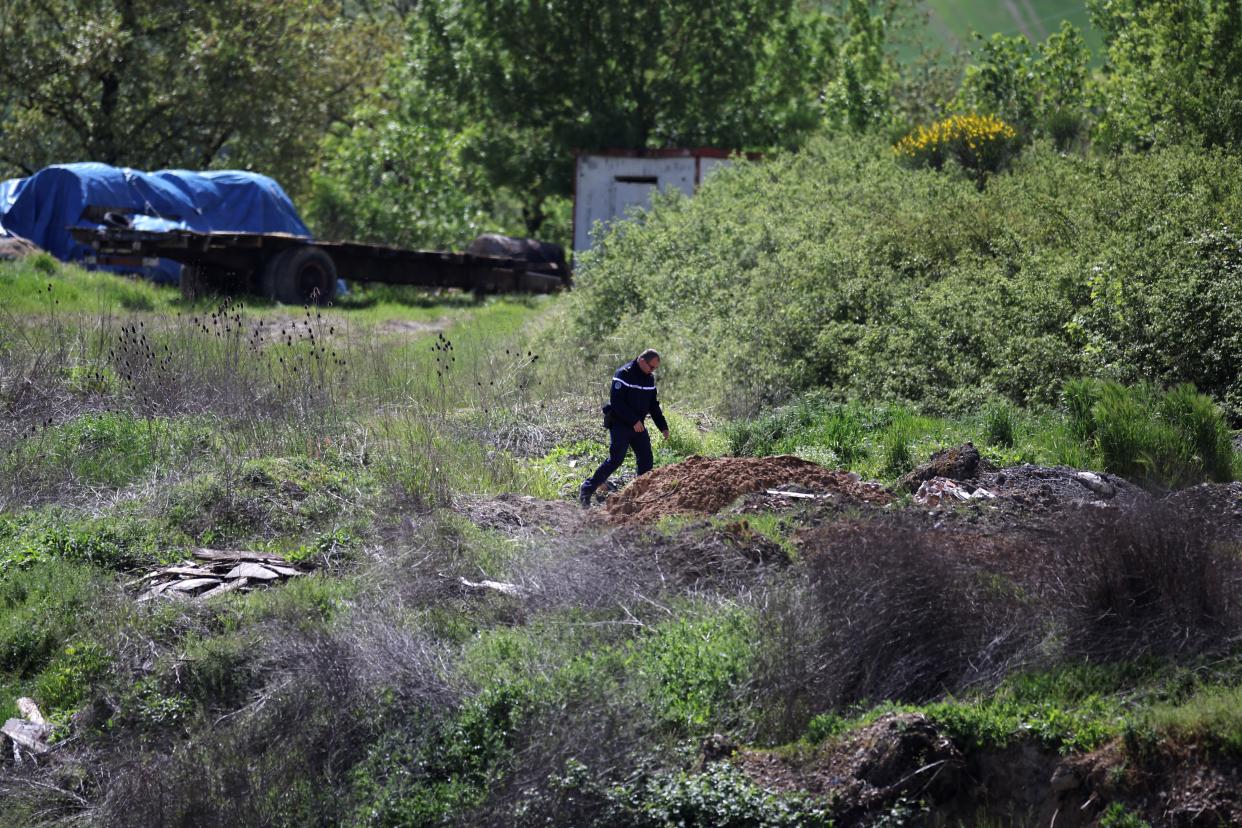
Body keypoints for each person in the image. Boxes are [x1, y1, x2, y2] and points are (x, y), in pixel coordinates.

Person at [579, 348, 670, 507]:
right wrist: (633, 420)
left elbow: (653, 406)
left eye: (655, 368)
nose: (653, 370)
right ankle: (587, 489)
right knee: (616, 460)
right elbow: (617, 402)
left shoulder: (649, 379)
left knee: (646, 460)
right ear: (642, 361)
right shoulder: (624, 373)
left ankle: (641, 498)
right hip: (621, 424)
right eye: (651, 367)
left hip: (638, 426)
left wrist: (663, 426)